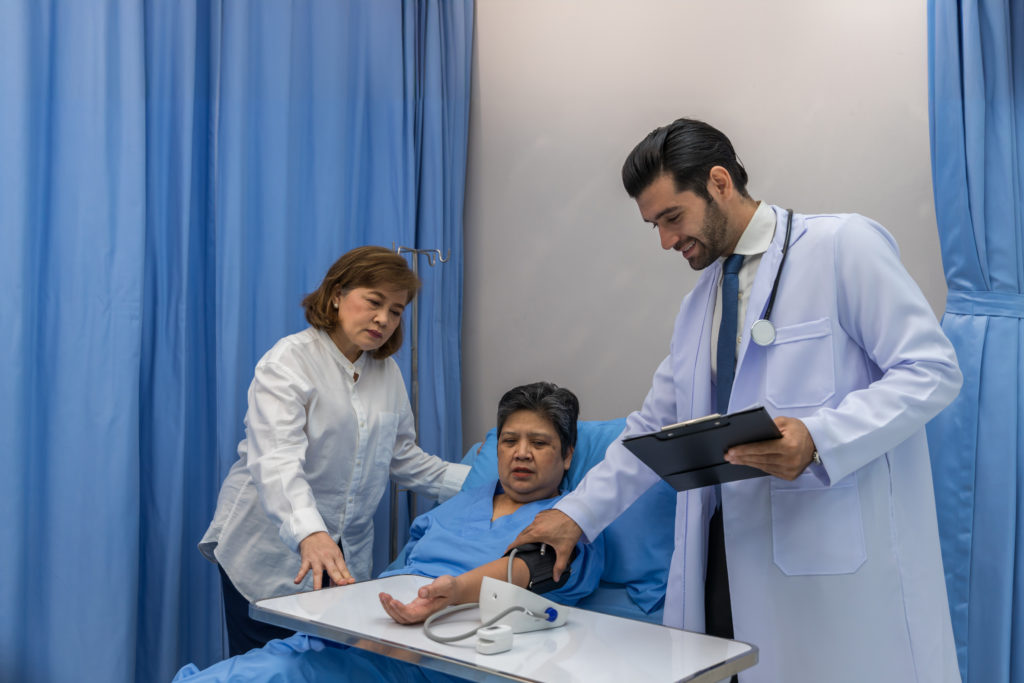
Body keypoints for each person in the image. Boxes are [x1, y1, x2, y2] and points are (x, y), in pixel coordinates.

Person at [511, 118, 963, 682]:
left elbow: (932, 369)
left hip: (831, 557)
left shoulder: (841, 247)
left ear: (719, 182)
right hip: (724, 558)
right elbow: (652, 430)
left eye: (672, 218)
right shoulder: (698, 307)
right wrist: (573, 514)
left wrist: (820, 437)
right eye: (654, 225)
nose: (665, 241)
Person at [175, 382, 604, 682]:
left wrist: (452, 592)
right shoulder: (459, 505)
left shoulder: (569, 520)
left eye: (540, 443)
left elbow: (535, 566)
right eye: (509, 441)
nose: (521, 453)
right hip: (371, 638)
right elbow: (396, 577)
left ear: (567, 456)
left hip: (442, 658)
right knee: (236, 672)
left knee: (276, 676)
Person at [199, 245, 470, 656]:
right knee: (267, 667)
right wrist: (310, 532)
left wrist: (484, 482)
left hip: (343, 554)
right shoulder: (288, 362)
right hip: (268, 549)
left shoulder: (387, 374)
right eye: (374, 302)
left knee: (328, 666)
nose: (384, 318)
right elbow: (276, 460)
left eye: (396, 310)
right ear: (337, 294)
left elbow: (403, 458)